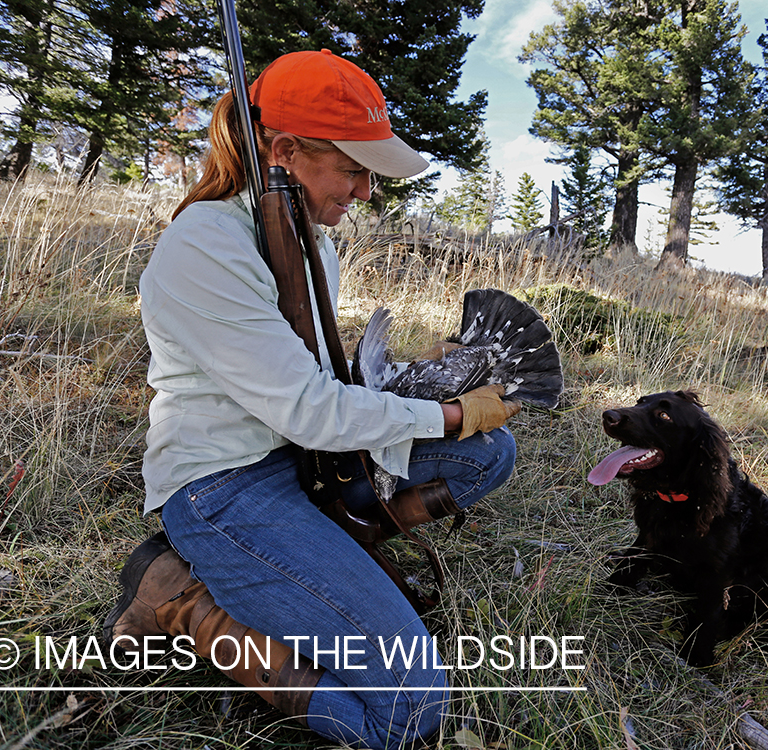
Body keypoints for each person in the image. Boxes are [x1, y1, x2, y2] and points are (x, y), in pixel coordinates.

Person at [103, 50, 521, 749]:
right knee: (410, 713)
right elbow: (308, 409)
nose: (365, 192)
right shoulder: (206, 244)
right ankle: (187, 604)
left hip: (304, 461)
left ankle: (331, 549)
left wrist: (424, 385)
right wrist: (447, 414)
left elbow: (321, 383)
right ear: (285, 150)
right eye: (353, 169)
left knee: (485, 454)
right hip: (224, 488)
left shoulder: (311, 245)